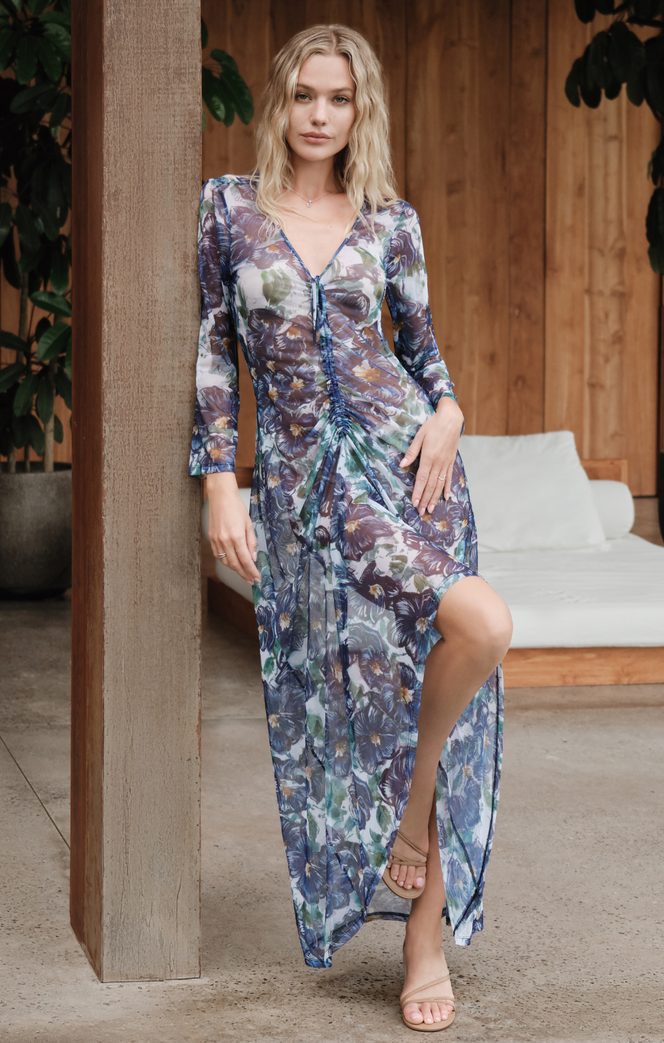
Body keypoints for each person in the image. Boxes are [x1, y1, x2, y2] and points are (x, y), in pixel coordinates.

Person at [189, 23, 512, 1032]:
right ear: (279, 102)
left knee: (481, 629)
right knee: (350, 700)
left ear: (359, 110)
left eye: (339, 99)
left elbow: (421, 346)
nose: (319, 115)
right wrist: (217, 482)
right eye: (304, 96)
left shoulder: (391, 221)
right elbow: (212, 351)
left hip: (408, 469)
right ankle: (405, 855)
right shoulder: (230, 211)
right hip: (301, 490)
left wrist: (452, 411)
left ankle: (419, 904)